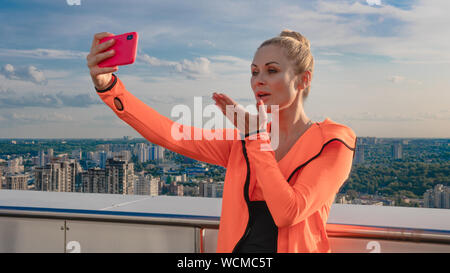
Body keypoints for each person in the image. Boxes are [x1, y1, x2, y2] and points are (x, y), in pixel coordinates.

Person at [86, 30, 357, 253]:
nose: (258, 81)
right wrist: (108, 86)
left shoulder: (333, 142)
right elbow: (170, 134)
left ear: (303, 80)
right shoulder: (245, 142)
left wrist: (255, 137)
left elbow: (288, 212)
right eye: (254, 72)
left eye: (271, 71)